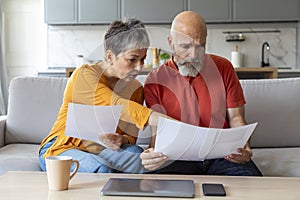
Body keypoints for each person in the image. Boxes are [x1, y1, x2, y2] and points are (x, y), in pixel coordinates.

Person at [140, 11, 262, 176]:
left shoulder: (223, 68)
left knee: (252, 184)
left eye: (200, 46)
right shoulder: (155, 80)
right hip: (177, 158)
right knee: (152, 186)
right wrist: (152, 155)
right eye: (185, 46)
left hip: (222, 156)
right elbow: (159, 133)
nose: (193, 55)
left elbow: (236, 118)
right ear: (171, 43)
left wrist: (244, 146)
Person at [39, 17, 168, 173]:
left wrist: (121, 139)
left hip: (100, 149)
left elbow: (130, 137)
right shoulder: (84, 76)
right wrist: (169, 123)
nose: (139, 67)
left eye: (142, 59)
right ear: (110, 56)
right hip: (63, 148)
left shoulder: (136, 89)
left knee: (138, 157)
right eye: (132, 60)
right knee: (101, 168)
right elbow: (119, 106)